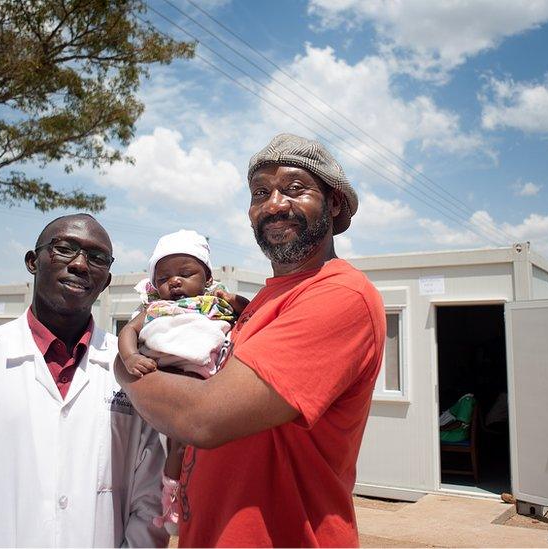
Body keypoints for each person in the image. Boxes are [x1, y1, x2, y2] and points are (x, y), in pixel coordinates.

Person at [114, 133, 386, 547]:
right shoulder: (260, 301)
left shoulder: (339, 295)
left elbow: (203, 417)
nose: (275, 204)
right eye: (261, 192)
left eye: (294, 189)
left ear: (333, 203)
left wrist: (122, 364)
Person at [0, 214, 168, 548]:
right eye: (65, 249)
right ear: (33, 261)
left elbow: (149, 506)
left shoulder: (134, 374)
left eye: (97, 258)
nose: (81, 265)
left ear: (106, 280)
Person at [118, 229, 248, 530]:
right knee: (176, 447)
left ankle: (195, 495)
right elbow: (128, 332)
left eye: (186, 273)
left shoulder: (216, 302)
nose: (174, 281)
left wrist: (234, 299)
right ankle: (171, 499)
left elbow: (251, 312)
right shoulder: (154, 308)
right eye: (163, 277)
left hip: (209, 380)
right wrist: (130, 358)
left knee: (207, 450)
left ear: (207, 278)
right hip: (168, 377)